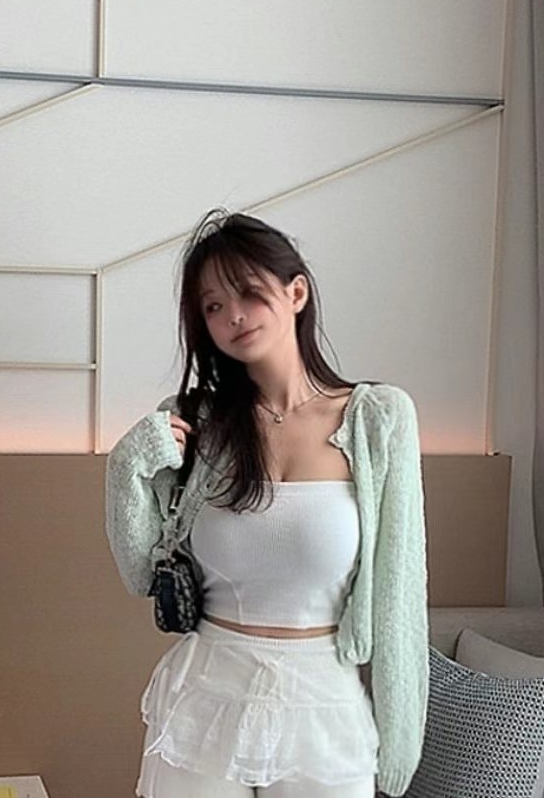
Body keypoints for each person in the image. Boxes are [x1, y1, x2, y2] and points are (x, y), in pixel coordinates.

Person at [105, 209, 428, 798]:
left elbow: (399, 592)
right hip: (206, 692)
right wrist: (126, 467)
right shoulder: (196, 422)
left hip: (324, 698)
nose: (233, 316)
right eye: (213, 306)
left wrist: (401, 739)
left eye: (249, 294)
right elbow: (139, 573)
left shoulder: (377, 419)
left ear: (296, 292)